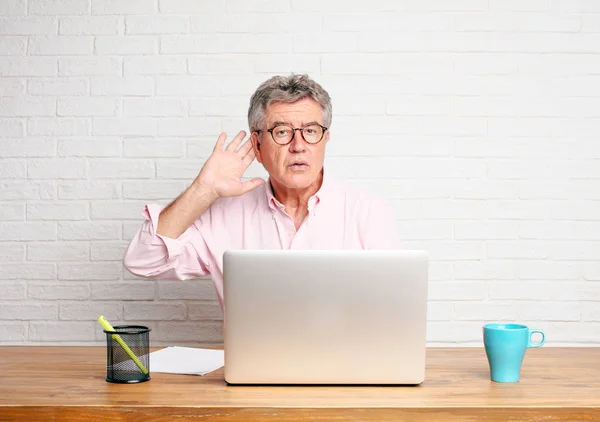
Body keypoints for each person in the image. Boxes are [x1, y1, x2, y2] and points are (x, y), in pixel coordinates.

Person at [123, 74, 399, 310]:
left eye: (311, 131)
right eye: (281, 132)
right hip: (253, 370)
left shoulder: (368, 212)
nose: (299, 145)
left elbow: (392, 305)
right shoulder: (224, 215)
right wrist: (202, 190)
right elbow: (143, 261)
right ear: (257, 146)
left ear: (325, 138)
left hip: (346, 368)